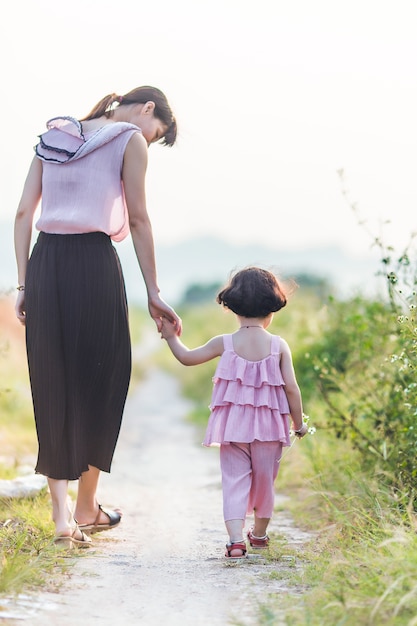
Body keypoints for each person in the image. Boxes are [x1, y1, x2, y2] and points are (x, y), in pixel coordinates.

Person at [14, 85, 182, 548]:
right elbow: (141, 219)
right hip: (93, 262)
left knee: (53, 381)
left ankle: (63, 518)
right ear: (147, 109)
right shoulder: (128, 139)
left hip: (46, 262)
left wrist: (25, 284)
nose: (148, 141)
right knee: (104, 378)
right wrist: (153, 291)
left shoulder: (56, 135)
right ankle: (87, 506)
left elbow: (25, 212)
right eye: (156, 133)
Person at [160, 266, 308, 559]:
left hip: (232, 427)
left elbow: (187, 358)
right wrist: (299, 423)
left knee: (233, 480)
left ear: (234, 307)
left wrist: (170, 336)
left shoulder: (224, 343)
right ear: (272, 309)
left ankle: (235, 540)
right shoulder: (279, 346)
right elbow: (292, 388)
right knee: (266, 480)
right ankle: (261, 535)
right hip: (269, 429)